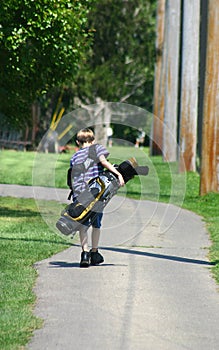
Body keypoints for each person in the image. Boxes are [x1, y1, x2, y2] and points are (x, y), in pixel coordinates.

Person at [70, 128, 125, 268]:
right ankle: (94, 252)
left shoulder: (74, 157)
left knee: (83, 224)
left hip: (80, 195)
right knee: (96, 224)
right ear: (93, 140)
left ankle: (85, 253)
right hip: (96, 194)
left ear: (78, 142)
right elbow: (104, 163)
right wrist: (118, 174)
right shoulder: (96, 149)